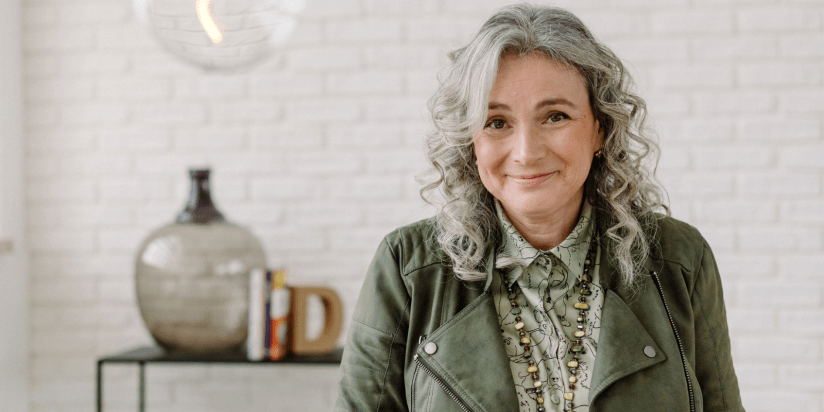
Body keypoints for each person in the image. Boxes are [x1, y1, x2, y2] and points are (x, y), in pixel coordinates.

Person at [336, 4, 744, 412]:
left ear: (600, 129)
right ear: (470, 141)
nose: (527, 153)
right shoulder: (406, 268)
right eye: (496, 122)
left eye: (555, 116)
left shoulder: (680, 259)